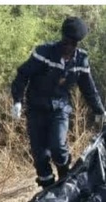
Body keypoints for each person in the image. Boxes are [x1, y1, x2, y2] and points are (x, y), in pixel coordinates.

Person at [11, 16, 105, 190]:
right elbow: (23, 74)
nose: (68, 47)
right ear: (62, 38)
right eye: (66, 42)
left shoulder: (81, 60)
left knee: (58, 147)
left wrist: (99, 111)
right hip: (36, 109)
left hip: (60, 109)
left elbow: (88, 88)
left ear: (77, 44)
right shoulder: (44, 53)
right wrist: (17, 100)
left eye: (73, 44)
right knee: (40, 155)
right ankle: (48, 189)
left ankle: (64, 182)